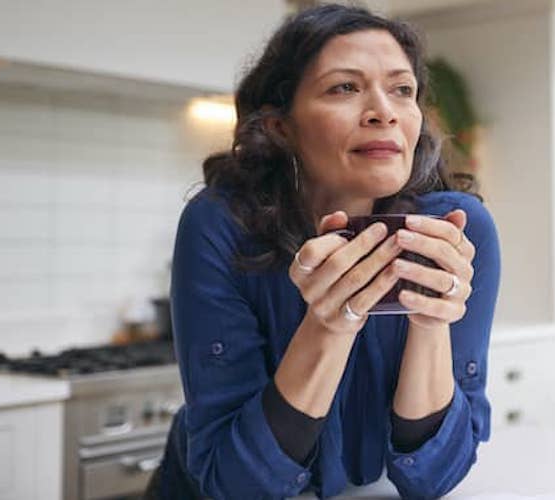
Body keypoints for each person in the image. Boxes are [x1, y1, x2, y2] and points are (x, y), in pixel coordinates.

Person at [146, 5, 500, 499]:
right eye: (344, 88)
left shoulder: (456, 231)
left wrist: (429, 318)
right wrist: (330, 324)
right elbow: (235, 485)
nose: (384, 110)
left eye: (402, 89)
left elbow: (433, 478)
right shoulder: (220, 224)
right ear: (279, 126)